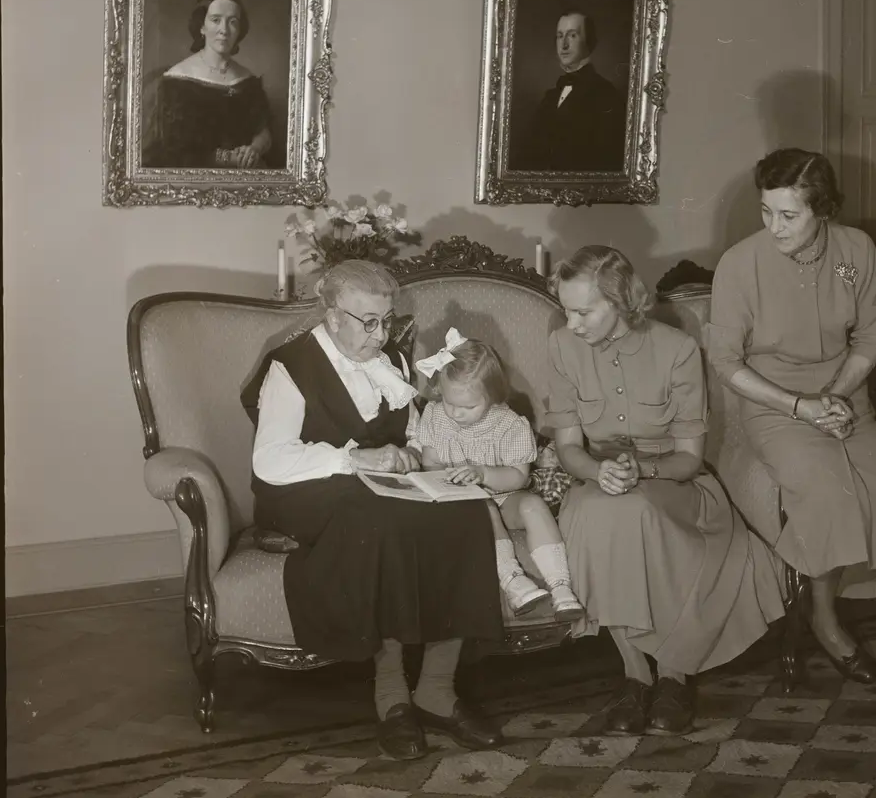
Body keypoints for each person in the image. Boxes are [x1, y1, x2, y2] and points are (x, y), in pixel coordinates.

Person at [705, 148, 876, 737]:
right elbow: (726, 363)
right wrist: (803, 406)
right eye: (766, 211)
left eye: (789, 215)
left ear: (823, 210)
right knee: (829, 495)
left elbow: (871, 335)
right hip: (774, 407)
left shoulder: (856, 251)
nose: (774, 227)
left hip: (846, 400)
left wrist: (837, 397)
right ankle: (825, 619)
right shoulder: (740, 264)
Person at [241, 260, 505, 761]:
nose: (381, 335)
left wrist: (419, 455)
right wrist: (353, 459)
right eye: (368, 322)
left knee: (465, 509)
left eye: (386, 320)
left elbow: (411, 430)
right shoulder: (290, 365)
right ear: (332, 315)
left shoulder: (393, 361)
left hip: (378, 486)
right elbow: (270, 460)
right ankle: (392, 696)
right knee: (380, 519)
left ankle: (436, 688)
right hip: (305, 489)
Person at [546, 246, 786, 736]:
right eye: (566, 311)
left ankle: (673, 676)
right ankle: (636, 676)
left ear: (619, 301)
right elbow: (568, 447)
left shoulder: (677, 349)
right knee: (599, 513)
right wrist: (597, 471)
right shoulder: (562, 347)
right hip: (596, 481)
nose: (572, 324)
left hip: (670, 480)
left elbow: (689, 458)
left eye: (583, 312)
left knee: (638, 512)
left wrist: (642, 471)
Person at [413, 330, 583, 620]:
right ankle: (514, 583)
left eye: (468, 406)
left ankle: (561, 587)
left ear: (492, 396)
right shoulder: (435, 416)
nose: (456, 413)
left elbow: (518, 477)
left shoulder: (509, 424)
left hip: (505, 494)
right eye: (450, 403)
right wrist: (453, 481)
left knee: (533, 504)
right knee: (483, 507)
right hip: (461, 503)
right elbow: (430, 463)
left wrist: (482, 474)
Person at [144, 0, 278, 169]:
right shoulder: (176, 81)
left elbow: (263, 131)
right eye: (216, 20)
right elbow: (175, 149)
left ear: (240, 30)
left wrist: (254, 149)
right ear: (202, 26)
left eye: (233, 22)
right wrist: (230, 158)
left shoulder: (248, 81)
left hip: (245, 174)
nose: (224, 30)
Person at [511, 11, 627, 173]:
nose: (564, 45)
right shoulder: (551, 96)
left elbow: (607, 161)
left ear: (589, 42)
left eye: (572, 36)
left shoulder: (606, 94)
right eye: (560, 36)